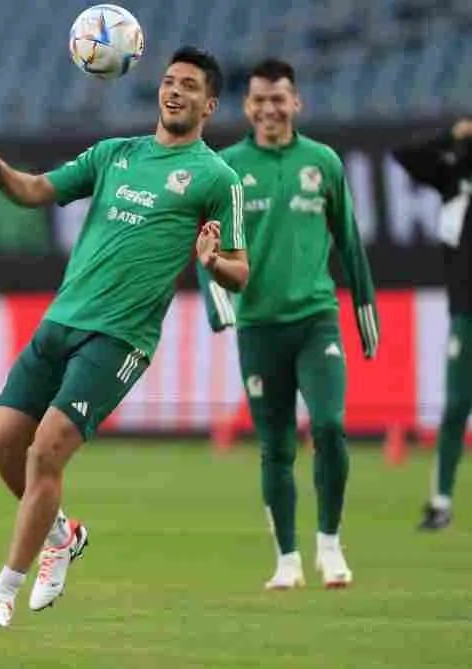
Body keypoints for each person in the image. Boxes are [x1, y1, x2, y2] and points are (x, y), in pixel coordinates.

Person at [0, 46, 249, 629]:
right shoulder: (114, 154)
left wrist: (214, 261)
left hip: (121, 338)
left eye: (189, 86)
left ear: (209, 104)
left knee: (46, 450)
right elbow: (35, 190)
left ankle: (1, 592)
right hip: (61, 320)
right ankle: (61, 534)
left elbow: (241, 271)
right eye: (168, 82)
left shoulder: (217, 177)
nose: (174, 92)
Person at [195, 59, 379, 589]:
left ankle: (330, 545)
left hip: (316, 320)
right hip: (258, 327)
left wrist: (364, 306)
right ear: (247, 106)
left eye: (279, 99)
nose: (270, 108)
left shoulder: (322, 162)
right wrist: (220, 304)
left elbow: (348, 239)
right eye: (259, 99)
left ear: (295, 103)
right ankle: (287, 561)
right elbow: (206, 244)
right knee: (275, 447)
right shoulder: (225, 168)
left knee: (330, 425)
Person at [393, 117, 472, 530]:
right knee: (457, 405)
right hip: (467, 310)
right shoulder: (457, 171)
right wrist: (453, 136)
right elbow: (404, 156)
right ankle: (440, 501)